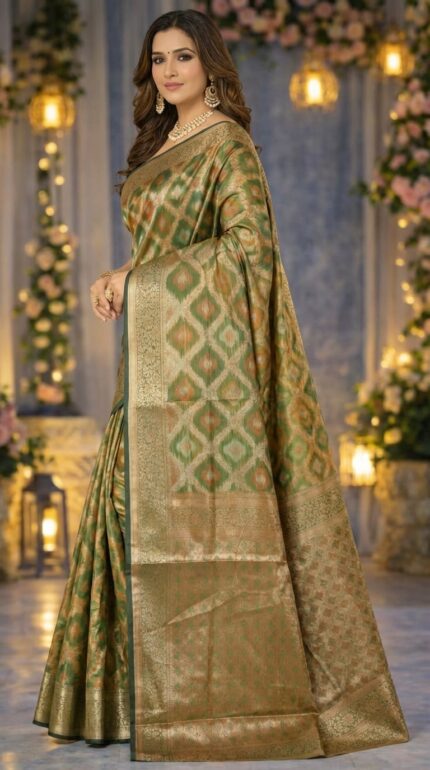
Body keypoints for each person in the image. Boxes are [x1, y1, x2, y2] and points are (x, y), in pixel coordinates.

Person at [32, 8, 410, 763]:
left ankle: (222, 707)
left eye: (183, 57)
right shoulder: (159, 144)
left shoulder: (227, 144)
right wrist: (124, 276)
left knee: (197, 531)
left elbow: (248, 249)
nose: (169, 71)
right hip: (151, 363)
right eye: (158, 60)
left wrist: (138, 280)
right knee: (124, 509)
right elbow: (172, 244)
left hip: (208, 377)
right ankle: (128, 703)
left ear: (210, 65)